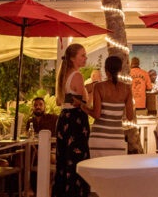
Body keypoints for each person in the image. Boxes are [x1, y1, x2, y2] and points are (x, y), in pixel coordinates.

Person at [77, 56, 134, 158]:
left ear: (105, 70)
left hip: (99, 138)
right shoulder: (127, 89)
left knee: (97, 172)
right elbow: (130, 117)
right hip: (117, 139)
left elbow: (96, 115)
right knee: (116, 172)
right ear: (120, 70)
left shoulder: (99, 87)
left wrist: (82, 106)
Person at [53, 43, 90, 197]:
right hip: (75, 121)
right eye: (82, 55)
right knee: (77, 160)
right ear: (73, 58)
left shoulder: (63, 75)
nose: (85, 58)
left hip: (63, 119)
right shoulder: (77, 76)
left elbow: (60, 101)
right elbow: (78, 102)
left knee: (64, 160)